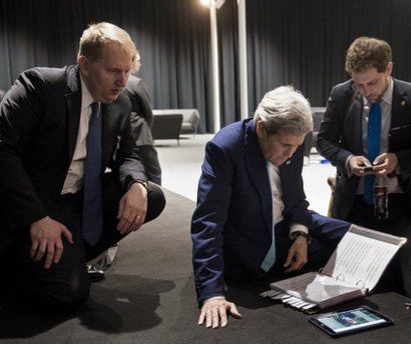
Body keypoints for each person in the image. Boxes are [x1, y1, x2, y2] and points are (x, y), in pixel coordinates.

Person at [0, 22, 166, 310]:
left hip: (76, 202)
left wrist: (137, 184)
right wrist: (36, 218)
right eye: (114, 71)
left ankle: (72, 256)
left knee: (152, 195)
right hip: (31, 204)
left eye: (127, 71)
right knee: (70, 294)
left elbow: (128, 154)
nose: (123, 80)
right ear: (85, 65)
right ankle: (17, 267)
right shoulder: (40, 85)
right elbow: (4, 152)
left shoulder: (120, 103)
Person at [191, 86, 350, 329]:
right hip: (249, 235)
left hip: (286, 224)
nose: (291, 154)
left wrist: (300, 233)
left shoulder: (291, 142)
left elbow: (296, 197)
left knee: (359, 238)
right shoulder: (226, 147)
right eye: (286, 146)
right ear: (262, 128)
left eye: (297, 146)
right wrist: (212, 293)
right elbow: (208, 221)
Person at [316, 37, 411, 299]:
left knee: (401, 282)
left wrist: (398, 160)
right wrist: (347, 159)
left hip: (399, 202)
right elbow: (324, 141)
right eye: (359, 84)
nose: (365, 91)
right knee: (350, 280)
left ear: (388, 69)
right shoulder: (342, 94)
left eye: (372, 83)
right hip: (353, 200)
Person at [125, 54, 162, 184]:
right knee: (153, 171)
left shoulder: (111, 83)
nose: (140, 64)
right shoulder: (136, 83)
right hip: (140, 135)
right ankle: (156, 200)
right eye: (138, 61)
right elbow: (148, 112)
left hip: (122, 136)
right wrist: (147, 131)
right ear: (131, 61)